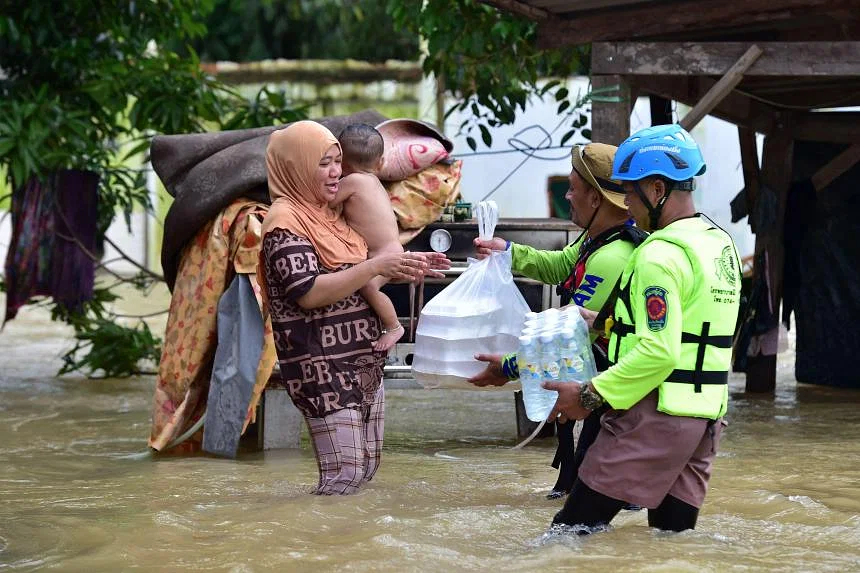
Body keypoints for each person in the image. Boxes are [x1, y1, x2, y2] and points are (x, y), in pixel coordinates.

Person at [544, 124, 741, 532]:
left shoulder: (658, 254)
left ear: (656, 190)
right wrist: (604, 323)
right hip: (705, 417)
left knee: (568, 535)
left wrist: (588, 395)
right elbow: (688, 325)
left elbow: (660, 351)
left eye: (630, 192)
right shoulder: (719, 245)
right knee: (671, 541)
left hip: (654, 414)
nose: (625, 204)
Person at [258, 120, 446, 495]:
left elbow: (364, 266)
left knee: (365, 472)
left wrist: (405, 262)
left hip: (362, 365)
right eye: (323, 163)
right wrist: (377, 266)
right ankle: (313, 547)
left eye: (337, 162)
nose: (336, 172)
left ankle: (346, 551)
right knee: (344, 475)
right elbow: (308, 292)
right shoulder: (285, 222)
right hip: (322, 370)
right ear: (296, 167)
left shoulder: (331, 214)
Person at [467, 143, 646, 499]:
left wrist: (506, 367)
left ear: (595, 200)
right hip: (604, 390)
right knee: (587, 499)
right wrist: (508, 252)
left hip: (613, 395)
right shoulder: (597, 241)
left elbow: (566, 338)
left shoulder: (612, 258)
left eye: (573, 189)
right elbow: (561, 265)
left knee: (589, 505)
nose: (567, 196)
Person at [329, 124, 404, 352]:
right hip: (392, 249)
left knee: (368, 288)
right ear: (380, 163)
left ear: (341, 163)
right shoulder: (375, 183)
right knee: (366, 287)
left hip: (384, 254)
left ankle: (393, 326)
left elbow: (327, 203)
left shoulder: (352, 182)